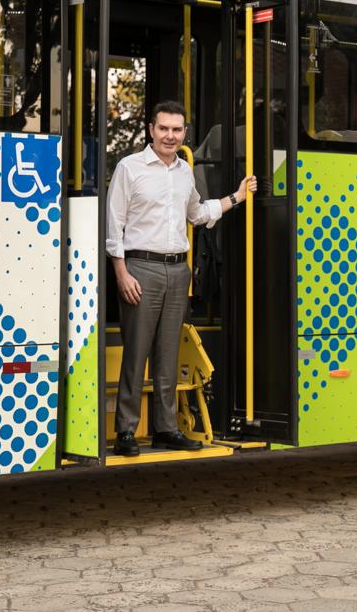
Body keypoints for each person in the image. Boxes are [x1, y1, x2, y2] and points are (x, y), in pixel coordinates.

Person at [105, 100, 256, 456]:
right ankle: (126, 431)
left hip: (178, 270)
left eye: (176, 130)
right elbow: (113, 226)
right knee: (137, 352)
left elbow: (197, 213)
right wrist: (121, 273)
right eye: (163, 128)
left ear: (184, 133)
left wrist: (236, 197)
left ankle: (166, 429)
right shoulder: (129, 168)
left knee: (168, 354)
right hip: (140, 269)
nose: (170, 136)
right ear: (151, 130)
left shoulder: (185, 171)